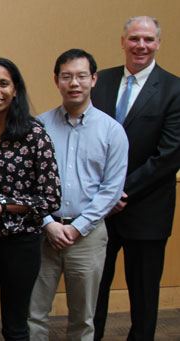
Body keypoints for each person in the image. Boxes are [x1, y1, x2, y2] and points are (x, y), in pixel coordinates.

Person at [27, 49, 128, 341]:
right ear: (56, 80)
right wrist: (48, 222)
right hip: (44, 232)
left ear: (94, 80)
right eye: (67, 76)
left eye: (82, 76)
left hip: (88, 235)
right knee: (34, 312)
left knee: (83, 317)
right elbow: (29, 182)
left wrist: (76, 227)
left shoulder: (112, 131)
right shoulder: (38, 126)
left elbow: (111, 190)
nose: (74, 83)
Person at [92, 16, 180, 341]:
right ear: (123, 41)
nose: (140, 45)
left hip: (147, 211)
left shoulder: (174, 89)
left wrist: (119, 192)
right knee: (94, 289)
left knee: (143, 295)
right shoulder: (100, 81)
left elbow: (168, 155)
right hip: (98, 211)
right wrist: (104, 197)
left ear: (158, 43)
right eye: (134, 39)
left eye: (147, 39)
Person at [0, 57, 61, 340]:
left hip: (20, 244)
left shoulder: (35, 135)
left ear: (16, 89)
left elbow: (51, 199)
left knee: (15, 326)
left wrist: (2, 205)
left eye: (3, 84)